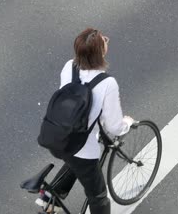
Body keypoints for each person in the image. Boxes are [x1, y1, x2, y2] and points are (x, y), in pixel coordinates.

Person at [36, 28, 134, 214]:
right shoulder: (107, 83)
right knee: (97, 195)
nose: (107, 41)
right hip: (81, 147)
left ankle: (50, 199)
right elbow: (114, 126)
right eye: (104, 41)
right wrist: (126, 124)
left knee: (73, 160)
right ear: (101, 52)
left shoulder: (69, 67)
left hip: (57, 137)